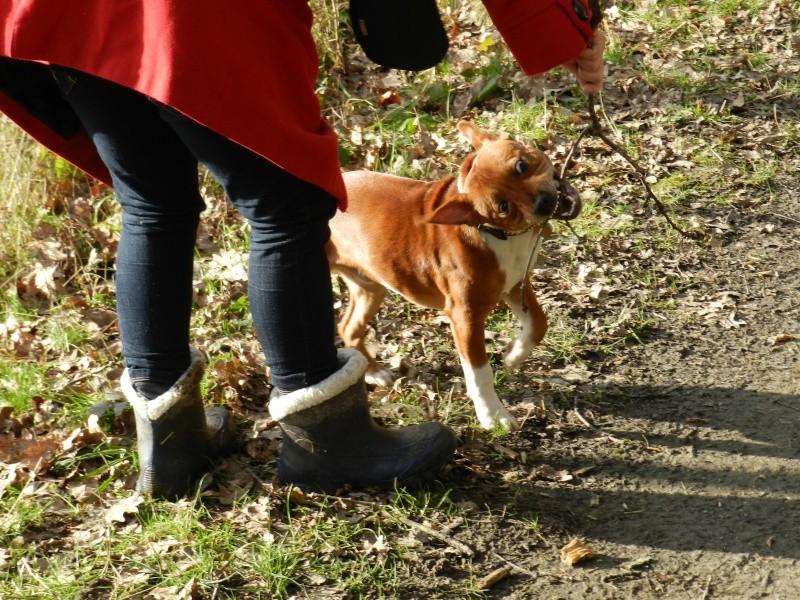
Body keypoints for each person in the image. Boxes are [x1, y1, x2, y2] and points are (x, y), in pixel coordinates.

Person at [0, 1, 606, 499]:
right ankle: (329, 444)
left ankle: (170, 443)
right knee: (286, 206)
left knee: (153, 205)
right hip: (200, 19)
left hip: (71, 19)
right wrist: (566, 23)